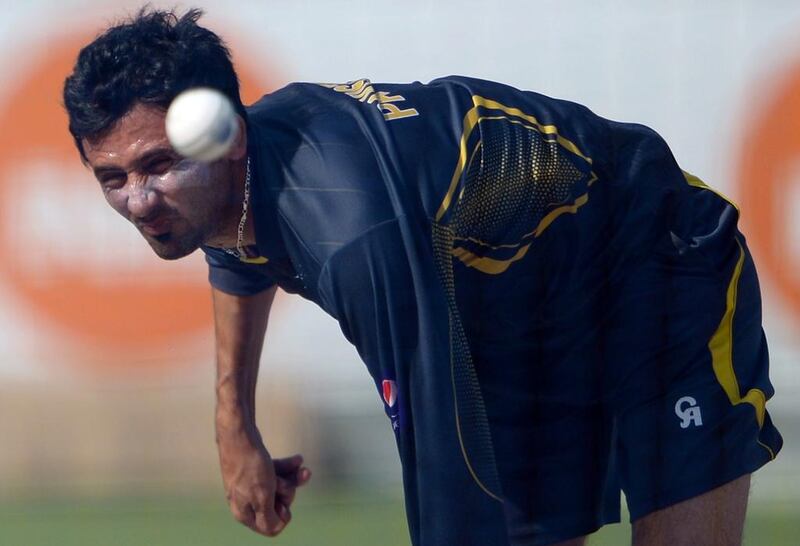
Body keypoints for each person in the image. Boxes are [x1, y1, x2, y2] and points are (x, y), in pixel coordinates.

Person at [62, 8, 782, 546]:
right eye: (112, 177)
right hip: (519, 322)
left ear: (227, 138)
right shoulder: (224, 186)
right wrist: (233, 426)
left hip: (654, 262)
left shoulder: (351, 234)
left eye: (158, 165)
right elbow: (235, 253)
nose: (139, 202)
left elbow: (445, 475)